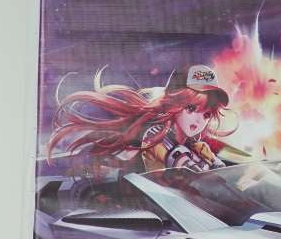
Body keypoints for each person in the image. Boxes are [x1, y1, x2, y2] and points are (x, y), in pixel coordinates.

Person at [47, 63, 234, 173]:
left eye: (207, 114)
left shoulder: (198, 147)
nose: (200, 120)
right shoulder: (156, 139)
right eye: (191, 108)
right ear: (174, 103)